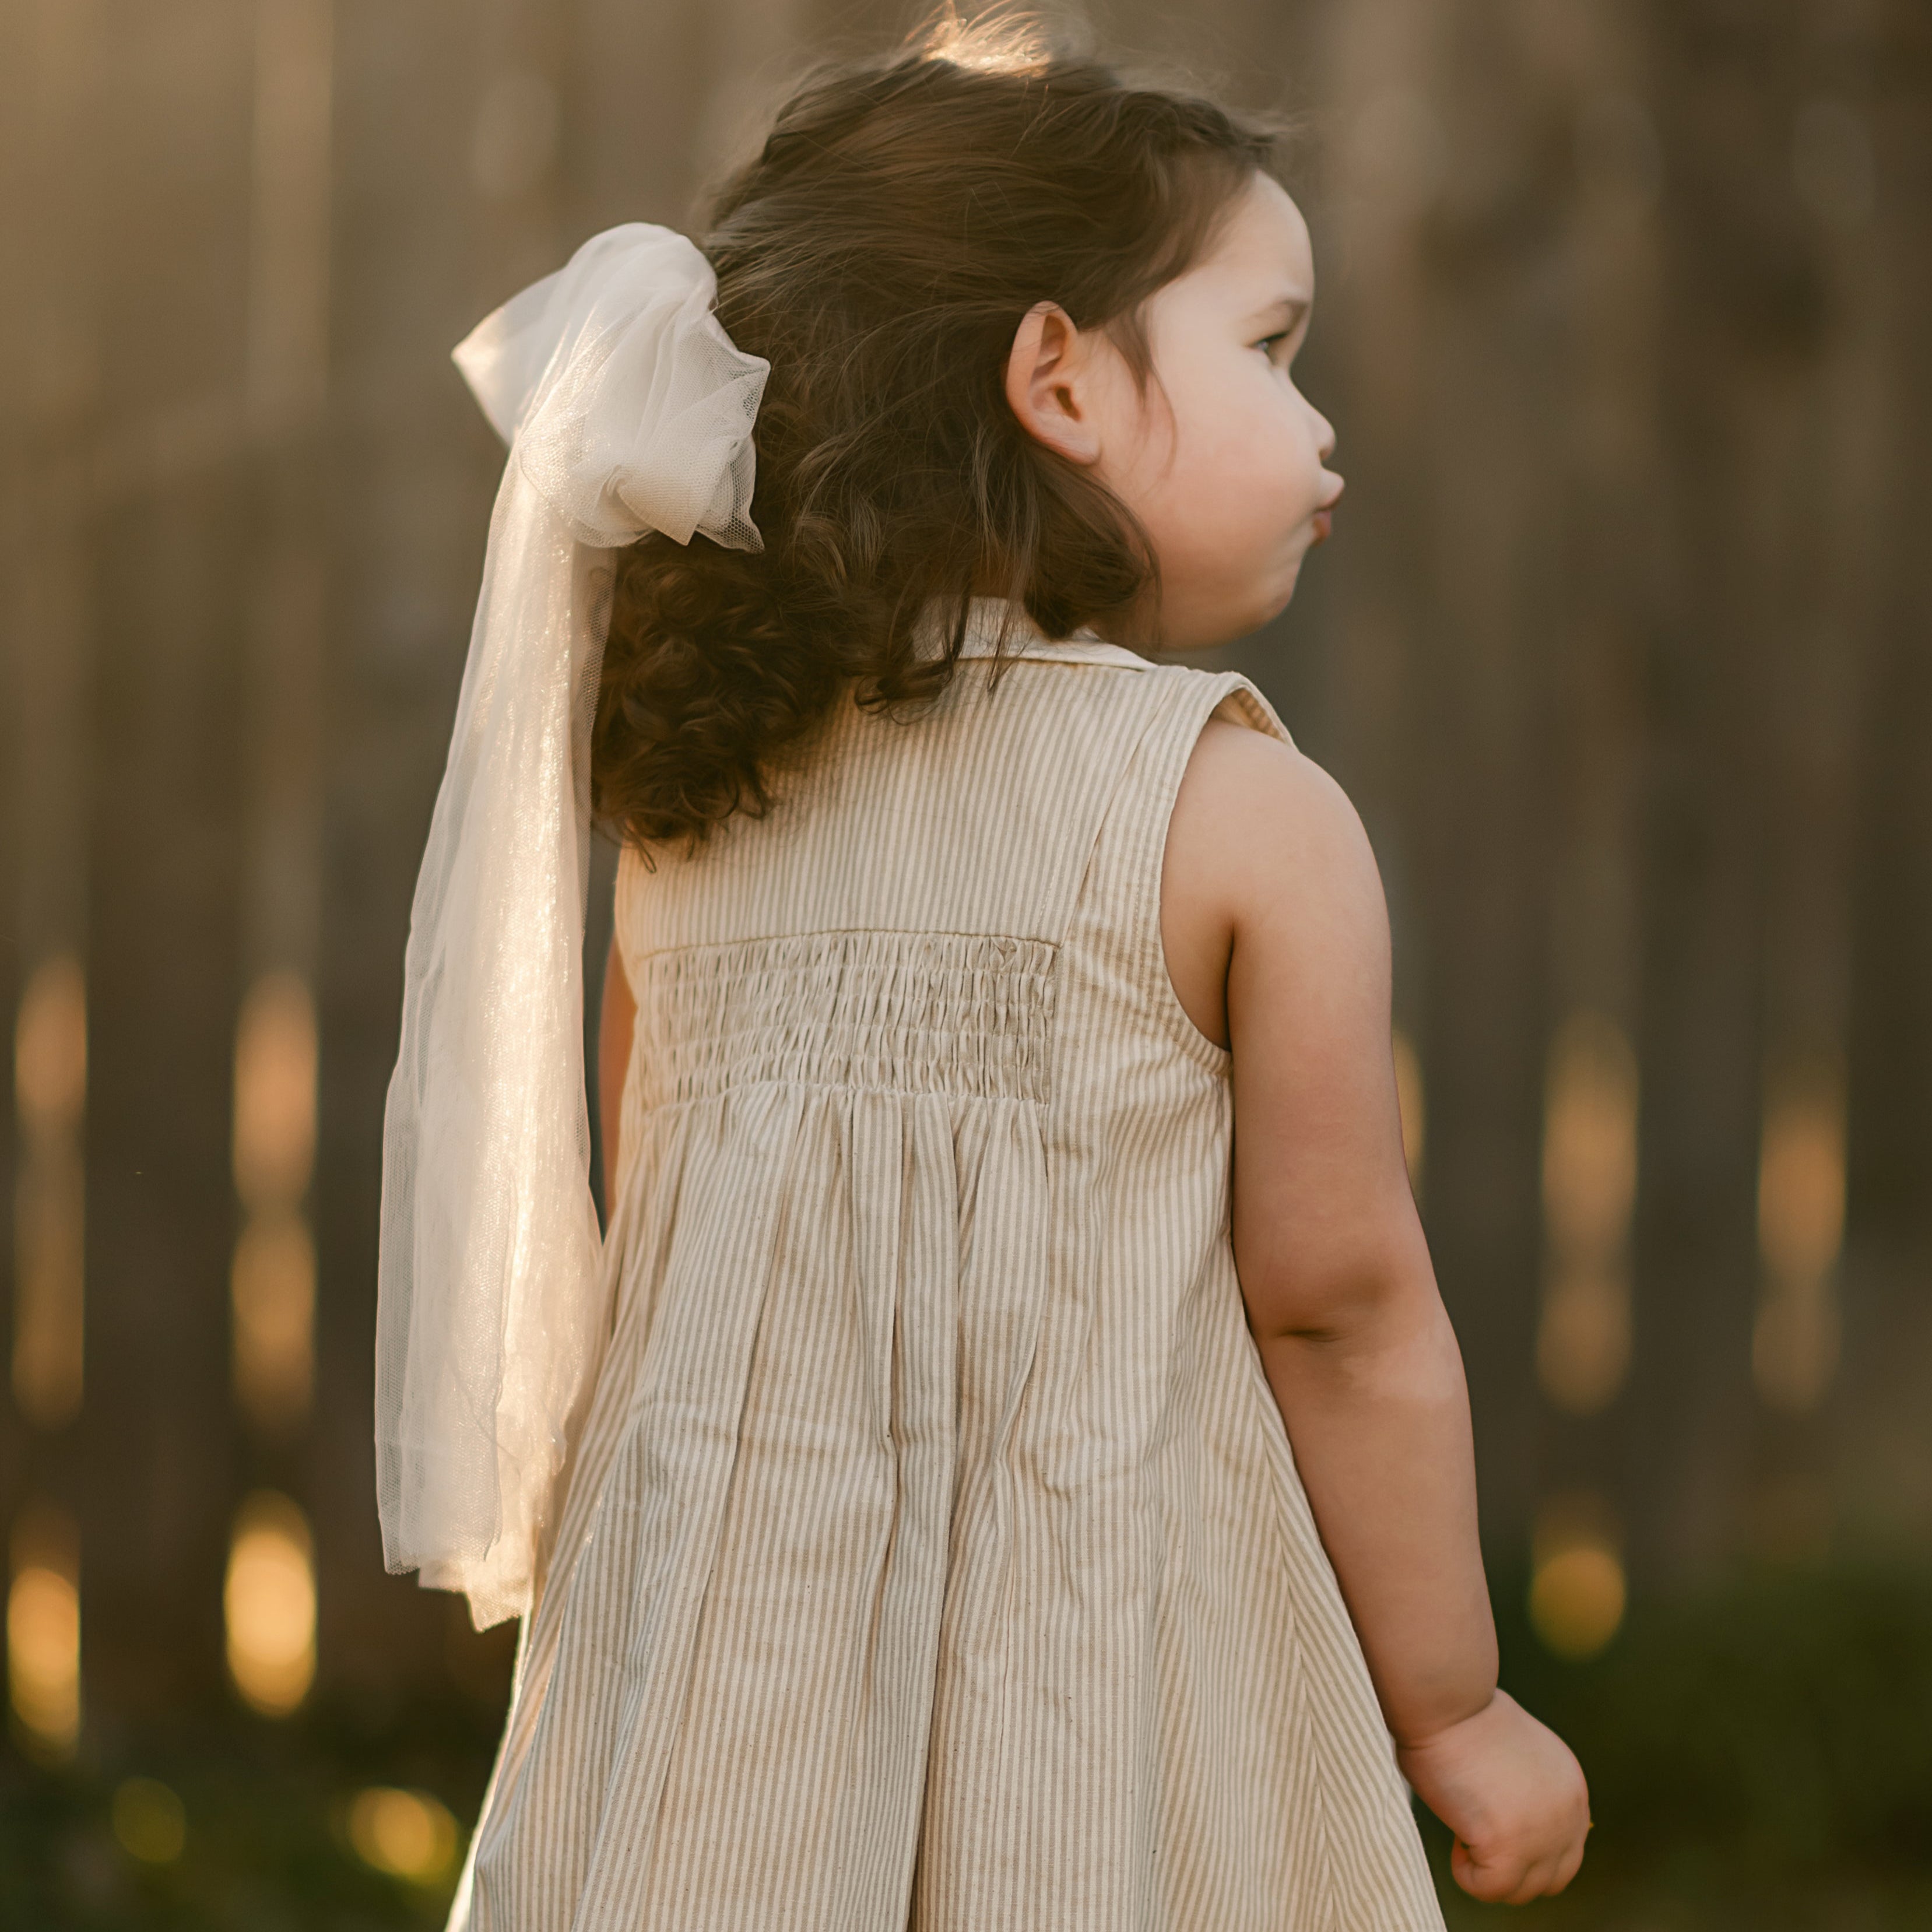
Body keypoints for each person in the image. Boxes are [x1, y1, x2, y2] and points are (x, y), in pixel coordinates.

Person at [375, 18, 1590, 1930]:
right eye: (1269, 347)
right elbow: (1342, 1309)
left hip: (718, 1711)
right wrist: (1451, 1705)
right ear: (1059, 380)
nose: (1317, 418)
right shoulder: (1240, 815)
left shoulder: (692, 812)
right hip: (1099, 1695)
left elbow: (664, 1232)